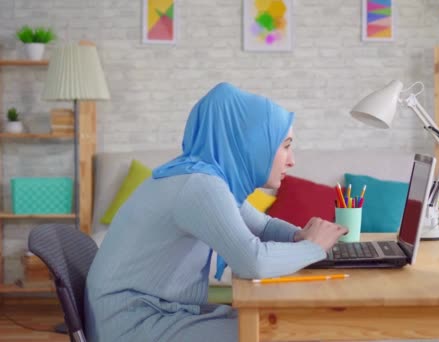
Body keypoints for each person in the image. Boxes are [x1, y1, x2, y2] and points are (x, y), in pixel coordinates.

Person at [84, 82, 348, 341]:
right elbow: (252, 262)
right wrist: (314, 247)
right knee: (282, 333)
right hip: (133, 325)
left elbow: (263, 226)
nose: (292, 160)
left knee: (280, 322)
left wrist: (299, 236)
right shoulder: (199, 186)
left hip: (152, 314)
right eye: (286, 145)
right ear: (253, 143)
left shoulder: (206, 177)